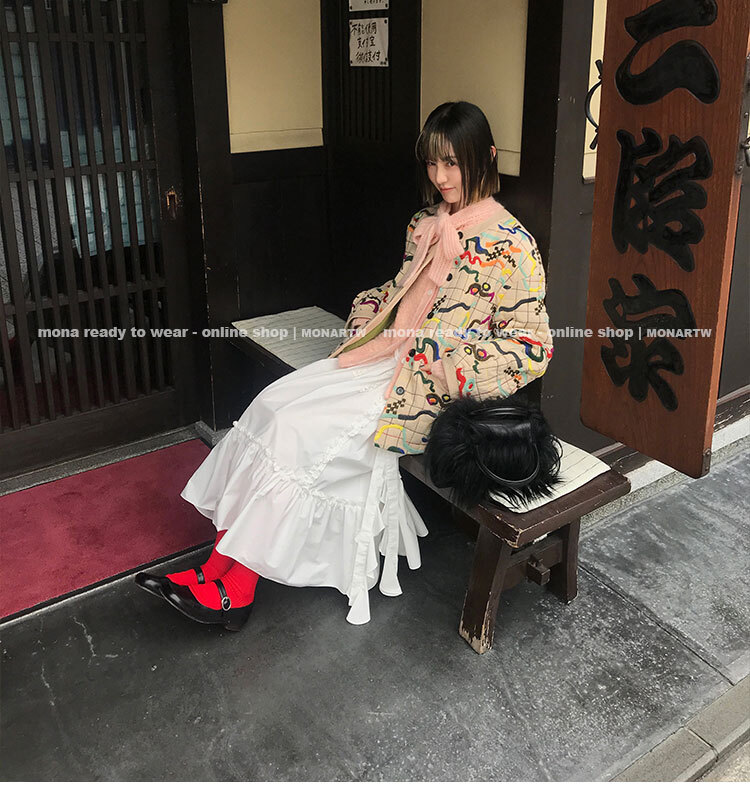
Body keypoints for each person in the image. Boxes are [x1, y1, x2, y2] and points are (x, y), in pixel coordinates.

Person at [135, 101, 555, 631]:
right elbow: (399, 291)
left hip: (422, 390)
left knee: (295, 431)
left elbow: (533, 347)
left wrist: (449, 364)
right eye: (432, 163)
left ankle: (234, 591)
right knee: (270, 407)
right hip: (378, 358)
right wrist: (367, 312)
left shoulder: (513, 246)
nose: (441, 176)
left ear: (487, 156)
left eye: (452, 162)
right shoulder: (427, 223)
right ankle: (216, 569)